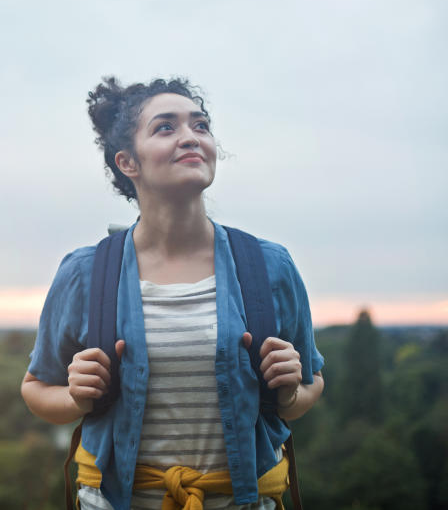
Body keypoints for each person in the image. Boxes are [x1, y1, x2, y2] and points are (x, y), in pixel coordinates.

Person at [20, 77, 325, 510]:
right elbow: (35, 388)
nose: (190, 137)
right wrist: (73, 397)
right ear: (128, 162)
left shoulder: (270, 267)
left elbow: (308, 390)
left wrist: (292, 391)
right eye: (166, 127)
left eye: (200, 126)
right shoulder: (85, 273)